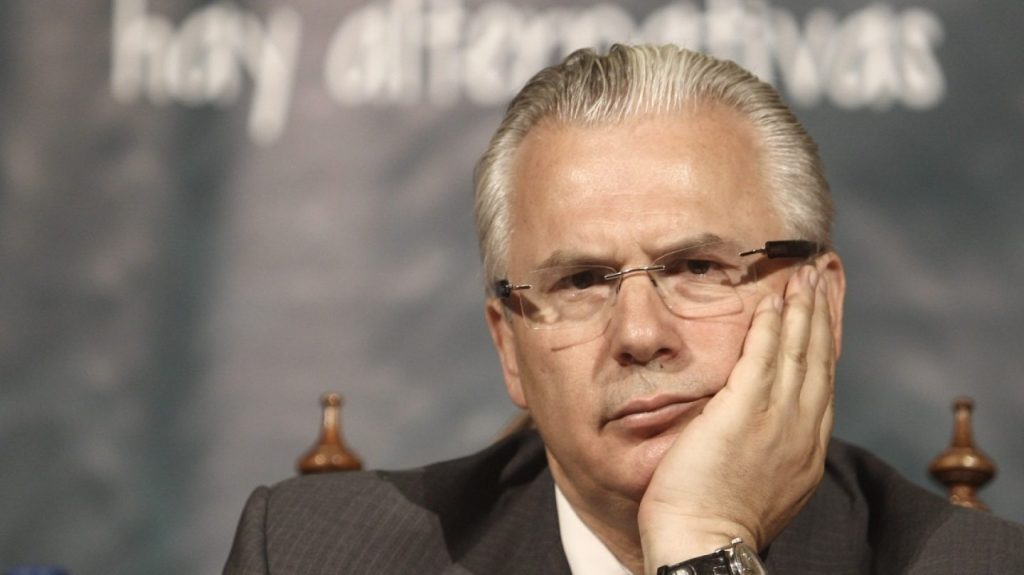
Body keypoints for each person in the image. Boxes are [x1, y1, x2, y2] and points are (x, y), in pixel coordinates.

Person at [224, 44, 1024, 574]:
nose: (640, 334)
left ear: (823, 302)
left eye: (698, 267)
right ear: (509, 347)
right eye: (581, 282)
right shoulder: (310, 558)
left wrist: (705, 545)